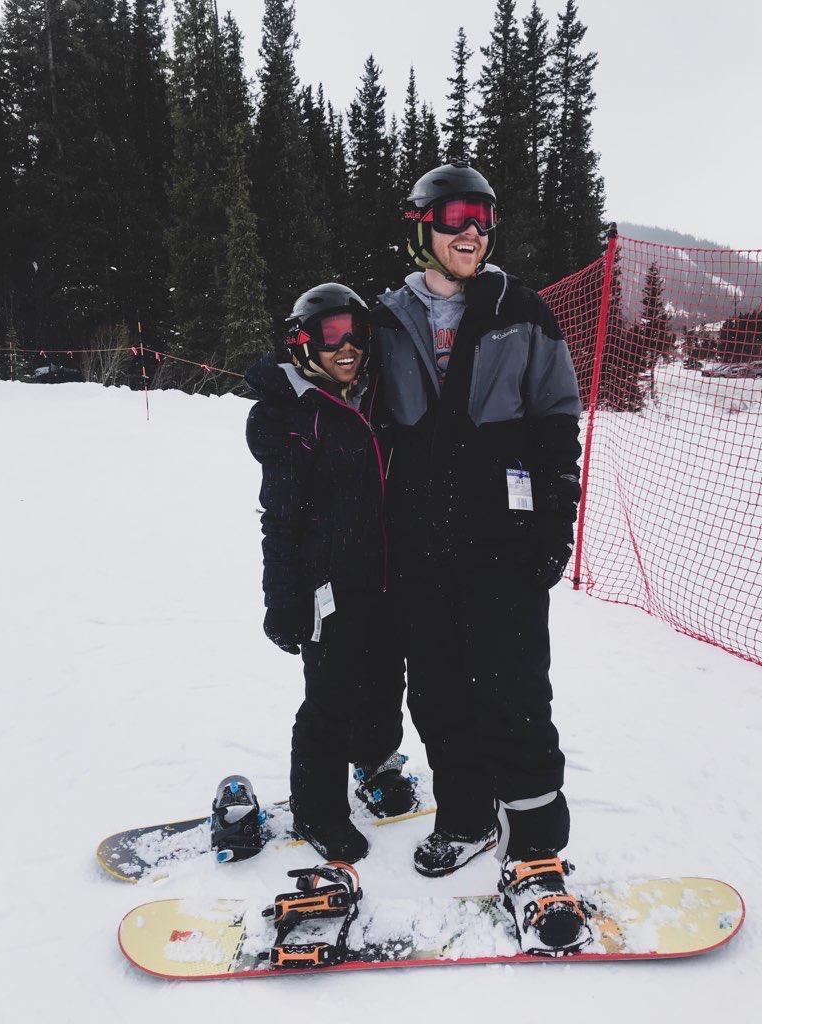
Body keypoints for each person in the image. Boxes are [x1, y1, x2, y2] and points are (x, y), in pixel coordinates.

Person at [371, 162, 586, 952]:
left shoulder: (521, 313)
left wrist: (553, 520)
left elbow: (558, 419)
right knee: (436, 691)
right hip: (421, 548)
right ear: (420, 224)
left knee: (514, 693)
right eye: (455, 216)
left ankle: (535, 849)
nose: (471, 231)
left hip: (502, 544)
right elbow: (338, 395)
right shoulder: (385, 319)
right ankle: (465, 817)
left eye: (483, 218)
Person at [245, 283, 418, 864]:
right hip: (327, 588)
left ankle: (374, 763)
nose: (346, 347)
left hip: (387, 577)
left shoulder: (376, 398)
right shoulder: (295, 417)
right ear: (303, 344)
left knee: (385, 685)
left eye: (356, 334)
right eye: (330, 336)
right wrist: (283, 598)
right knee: (330, 697)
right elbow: (280, 520)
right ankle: (318, 810)